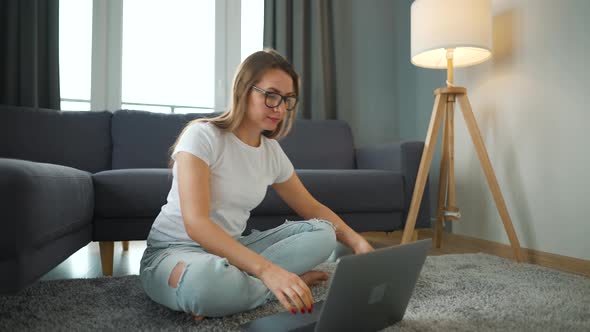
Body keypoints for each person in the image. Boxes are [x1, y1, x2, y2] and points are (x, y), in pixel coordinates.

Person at [139, 49, 375, 320]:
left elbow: (310, 206)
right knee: (203, 284)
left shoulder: (271, 151)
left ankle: (232, 290)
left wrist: (357, 242)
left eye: (287, 99)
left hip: (234, 247)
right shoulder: (202, 136)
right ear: (244, 90)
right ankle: (257, 288)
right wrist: (268, 271)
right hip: (174, 251)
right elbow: (196, 225)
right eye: (271, 95)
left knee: (323, 233)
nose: (280, 108)